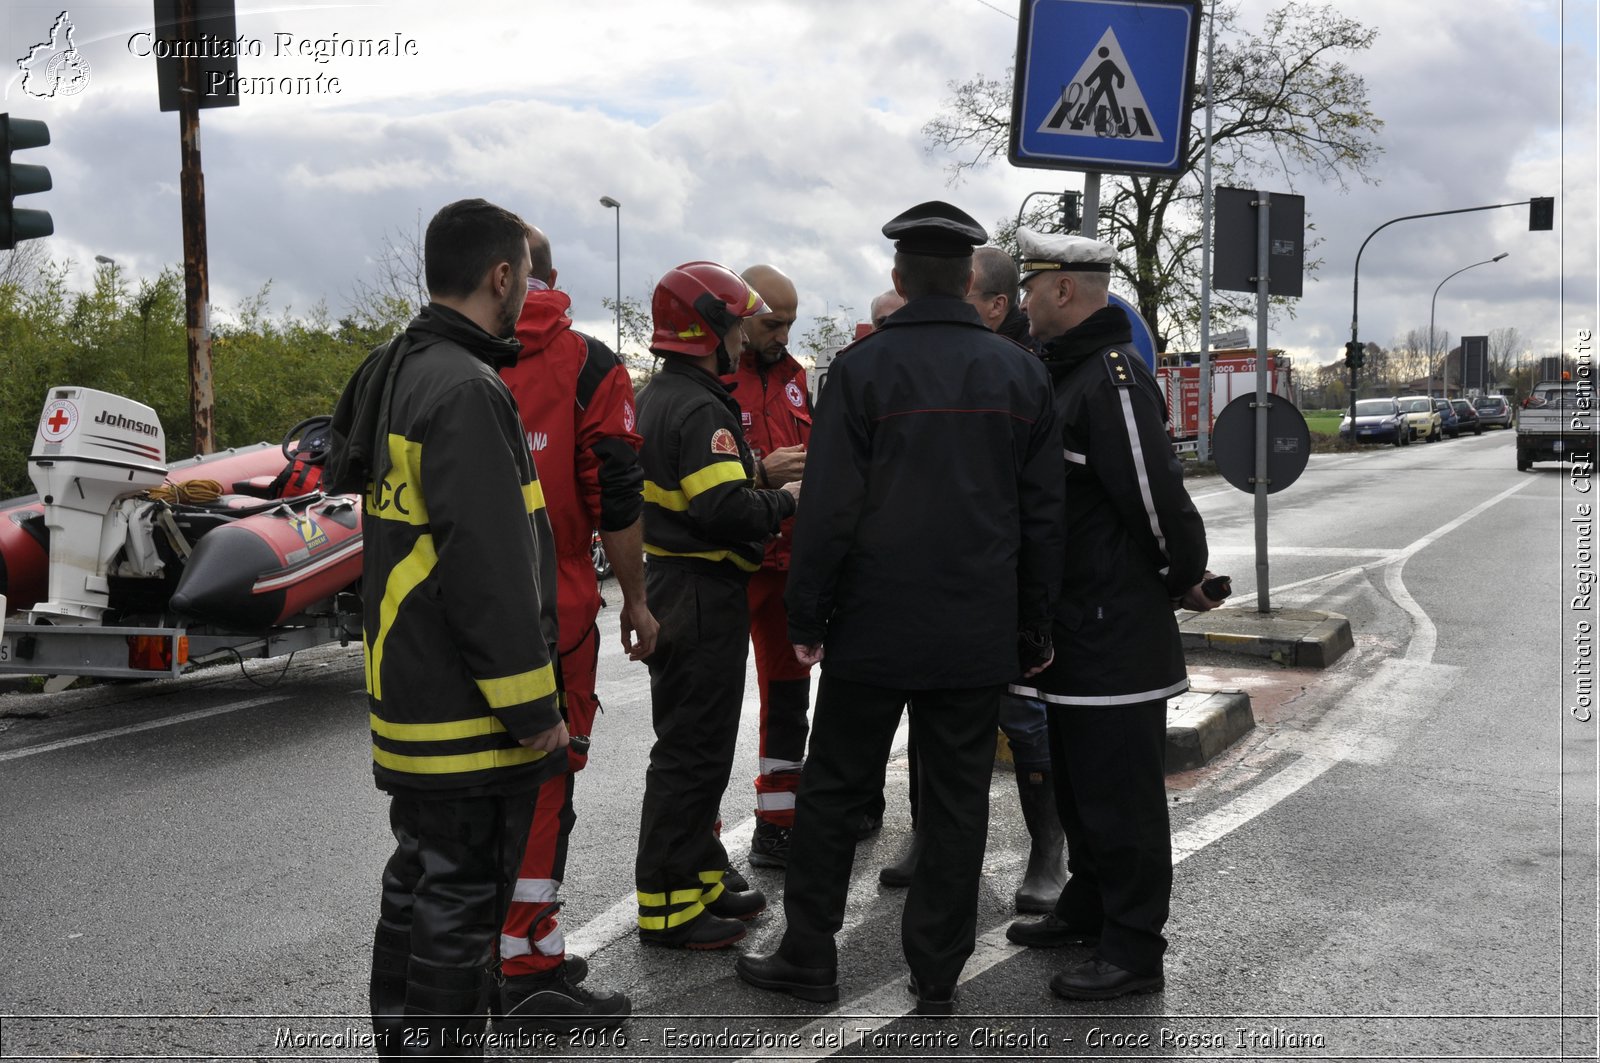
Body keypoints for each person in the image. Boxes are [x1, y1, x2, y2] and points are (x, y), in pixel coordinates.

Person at [735, 202, 1065, 1016]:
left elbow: (829, 509)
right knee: (955, 801)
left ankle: (809, 951)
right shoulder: (1021, 374)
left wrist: (806, 617)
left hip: (872, 627)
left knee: (834, 789)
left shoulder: (861, 370)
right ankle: (939, 972)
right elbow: (1041, 518)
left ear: (898, 280)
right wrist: (1033, 627)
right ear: (967, 282)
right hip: (974, 628)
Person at [325, 198, 569, 1058]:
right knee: (461, 905)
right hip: (469, 709)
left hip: (412, 685)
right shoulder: (467, 387)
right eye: (527, 277)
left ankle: (403, 1041)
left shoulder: (401, 364)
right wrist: (536, 710)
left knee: (418, 887)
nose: (529, 291)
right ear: (501, 276)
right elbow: (490, 570)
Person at [1004, 228, 1223, 1002]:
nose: (1024, 297)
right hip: (1075, 624)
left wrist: (1183, 576)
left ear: (1066, 287)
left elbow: (1156, 498)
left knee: (1120, 796)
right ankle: (1089, 904)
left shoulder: (1113, 376)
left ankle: (1133, 947)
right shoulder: (1065, 372)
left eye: (1032, 284)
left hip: (1112, 626)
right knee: (1078, 782)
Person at [492, 224, 654, 1032]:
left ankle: (490, 953)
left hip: (433, 624)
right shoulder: (586, 363)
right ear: (541, 277)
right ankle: (528, 968)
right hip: (549, 620)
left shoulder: (413, 359)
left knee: (452, 798)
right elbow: (615, 495)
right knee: (546, 784)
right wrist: (637, 597)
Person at [879, 243, 1066, 916]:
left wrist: (1035, 605)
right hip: (941, 583)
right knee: (933, 710)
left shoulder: (1026, 371)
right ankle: (928, 833)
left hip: (1005, 583)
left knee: (1023, 716)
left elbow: (1042, 499)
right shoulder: (947, 363)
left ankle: (1049, 848)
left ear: (995, 305)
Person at [634, 261, 801, 950]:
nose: (741, 337)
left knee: (696, 746)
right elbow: (721, 506)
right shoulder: (701, 405)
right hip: (700, 592)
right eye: (735, 323)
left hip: (681, 587)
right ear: (708, 327)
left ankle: (699, 876)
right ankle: (669, 906)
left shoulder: (661, 394)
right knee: (692, 754)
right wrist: (783, 501)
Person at [719, 265, 817, 870]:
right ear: (741, 316)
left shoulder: (798, 380)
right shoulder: (712, 379)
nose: (782, 333)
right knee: (713, 708)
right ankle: (698, 844)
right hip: (729, 566)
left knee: (787, 702)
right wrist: (761, 472)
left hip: (788, 566)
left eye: (789, 322)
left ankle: (777, 825)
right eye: (771, 322)